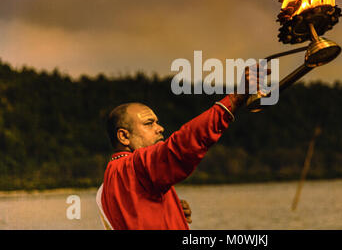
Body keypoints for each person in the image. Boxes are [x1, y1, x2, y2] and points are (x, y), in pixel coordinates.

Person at [96, 65, 269, 230]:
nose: (160, 128)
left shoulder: (109, 183)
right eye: (149, 124)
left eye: (157, 122)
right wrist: (234, 99)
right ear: (124, 136)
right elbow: (182, 145)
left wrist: (168, 207)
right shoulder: (135, 166)